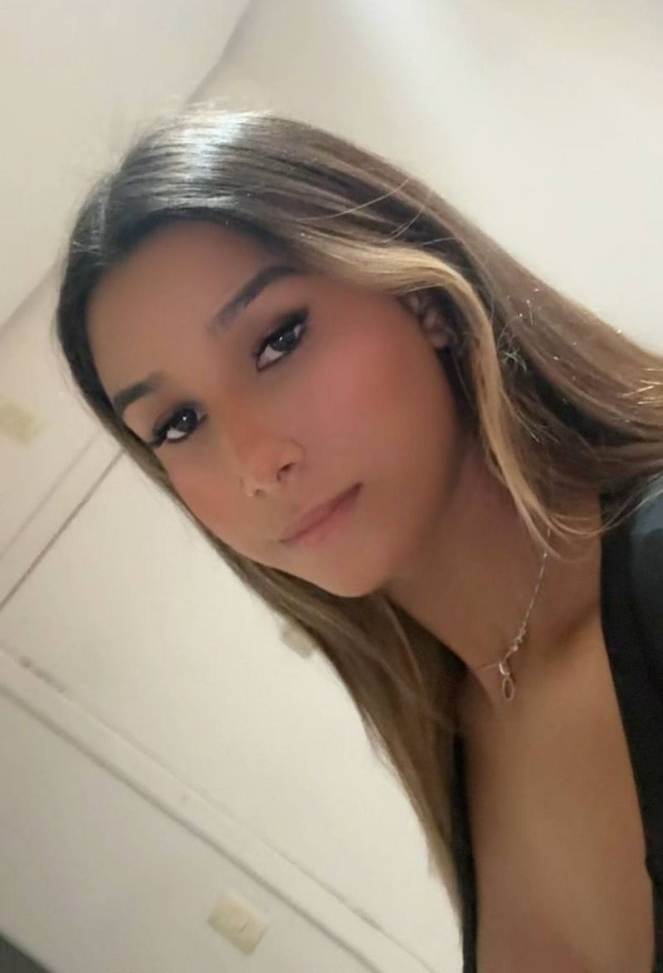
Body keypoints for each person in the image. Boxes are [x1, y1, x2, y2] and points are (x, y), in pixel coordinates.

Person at [54, 106, 663, 972]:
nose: (256, 463)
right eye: (179, 423)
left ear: (422, 300)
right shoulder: (458, 730)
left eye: (278, 342)